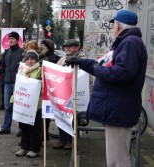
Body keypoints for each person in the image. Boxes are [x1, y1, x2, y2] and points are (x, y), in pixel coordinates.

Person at [65, 10, 147, 167]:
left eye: (114, 25)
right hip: (116, 107)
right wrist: (82, 62)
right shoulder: (126, 42)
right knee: (116, 157)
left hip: (118, 107)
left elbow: (121, 73)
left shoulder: (129, 43)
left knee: (118, 160)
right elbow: (103, 64)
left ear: (118, 25)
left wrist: (96, 70)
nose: (112, 28)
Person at [0, 31, 24, 134]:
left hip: (19, 83)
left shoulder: (22, 52)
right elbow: (2, 68)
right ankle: (6, 127)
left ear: (17, 40)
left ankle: (22, 128)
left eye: (12, 38)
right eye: (9, 39)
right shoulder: (6, 53)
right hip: (7, 83)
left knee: (19, 106)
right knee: (7, 106)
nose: (10, 40)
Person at [52, 39, 83, 150]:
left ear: (77, 48)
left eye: (70, 46)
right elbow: (55, 72)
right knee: (61, 116)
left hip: (76, 93)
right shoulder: (62, 60)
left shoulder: (82, 59)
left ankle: (70, 141)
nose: (68, 49)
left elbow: (86, 77)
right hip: (62, 93)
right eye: (66, 47)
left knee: (72, 118)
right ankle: (62, 140)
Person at [14, 50, 42, 158]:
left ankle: (35, 148)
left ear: (36, 60)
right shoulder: (22, 71)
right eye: (28, 59)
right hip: (23, 104)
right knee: (24, 127)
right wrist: (13, 99)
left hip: (35, 105)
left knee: (34, 128)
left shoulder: (40, 71)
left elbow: (42, 86)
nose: (30, 61)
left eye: (32, 59)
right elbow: (17, 86)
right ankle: (24, 147)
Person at [39, 39, 61, 140]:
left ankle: (44, 135)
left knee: (46, 112)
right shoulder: (40, 57)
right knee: (42, 112)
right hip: (41, 87)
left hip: (50, 88)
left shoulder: (54, 58)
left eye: (43, 45)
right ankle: (43, 134)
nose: (41, 47)